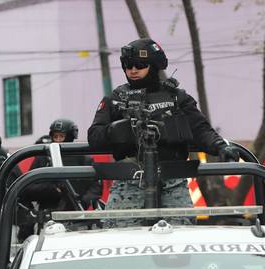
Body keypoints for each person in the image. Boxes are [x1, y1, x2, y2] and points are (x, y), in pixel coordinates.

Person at [87, 38, 241, 216]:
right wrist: (119, 132)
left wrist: (221, 146)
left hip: (173, 183)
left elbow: (201, 130)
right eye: (128, 65)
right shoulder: (116, 99)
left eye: (140, 65)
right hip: (127, 183)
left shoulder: (177, 98)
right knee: (121, 232)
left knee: (179, 231)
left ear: (154, 66)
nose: (133, 70)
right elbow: (94, 137)